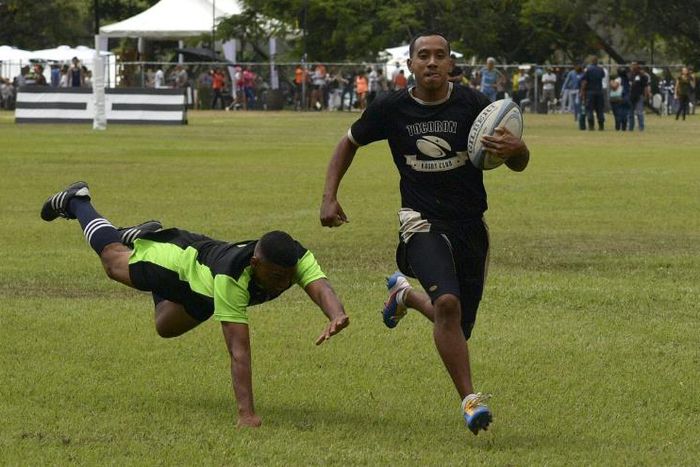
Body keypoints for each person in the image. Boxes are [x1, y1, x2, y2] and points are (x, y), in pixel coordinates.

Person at [319, 31, 530, 436]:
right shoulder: (391, 108)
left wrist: (517, 149)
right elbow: (348, 143)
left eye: (440, 56)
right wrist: (329, 197)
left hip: (470, 225)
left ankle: (406, 296)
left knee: (456, 327)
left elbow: (517, 162)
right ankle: (471, 401)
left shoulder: (474, 104)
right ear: (410, 65)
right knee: (448, 306)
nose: (432, 62)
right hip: (420, 222)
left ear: (451, 63)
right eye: (423, 56)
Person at [40, 181, 350, 428]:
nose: (285, 282)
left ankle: (143, 239)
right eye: (278, 276)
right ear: (255, 263)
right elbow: (238, 351)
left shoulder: (296, 258)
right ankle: (77, 201)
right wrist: (246, 414)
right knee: (112, 260)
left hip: (204, 290)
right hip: (179, 264)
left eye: (289, 276)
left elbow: (320, 287)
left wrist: (336, 314)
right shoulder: (233, 279)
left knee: (165, 326)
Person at [580, 56, 605, 131]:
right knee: (600, 109)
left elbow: (584, 81)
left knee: (589, 109)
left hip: (590, 92)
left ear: (591, 61)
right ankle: (601, 126)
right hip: (599, 92)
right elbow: (602, 77)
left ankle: (591, 126)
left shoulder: (588, 69)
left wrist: (582, 91)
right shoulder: (601, 69)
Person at [628, 62, 650, 131]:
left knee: (639, 113)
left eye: (634, 65)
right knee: (630, 113)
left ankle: (641, 128)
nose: (632, 67)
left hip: (639, 95)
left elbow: (645, 86)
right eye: (632, 65)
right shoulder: (630, 75)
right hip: (630, 95)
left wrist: (646, 95)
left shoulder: (643, 76)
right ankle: (630, 128)